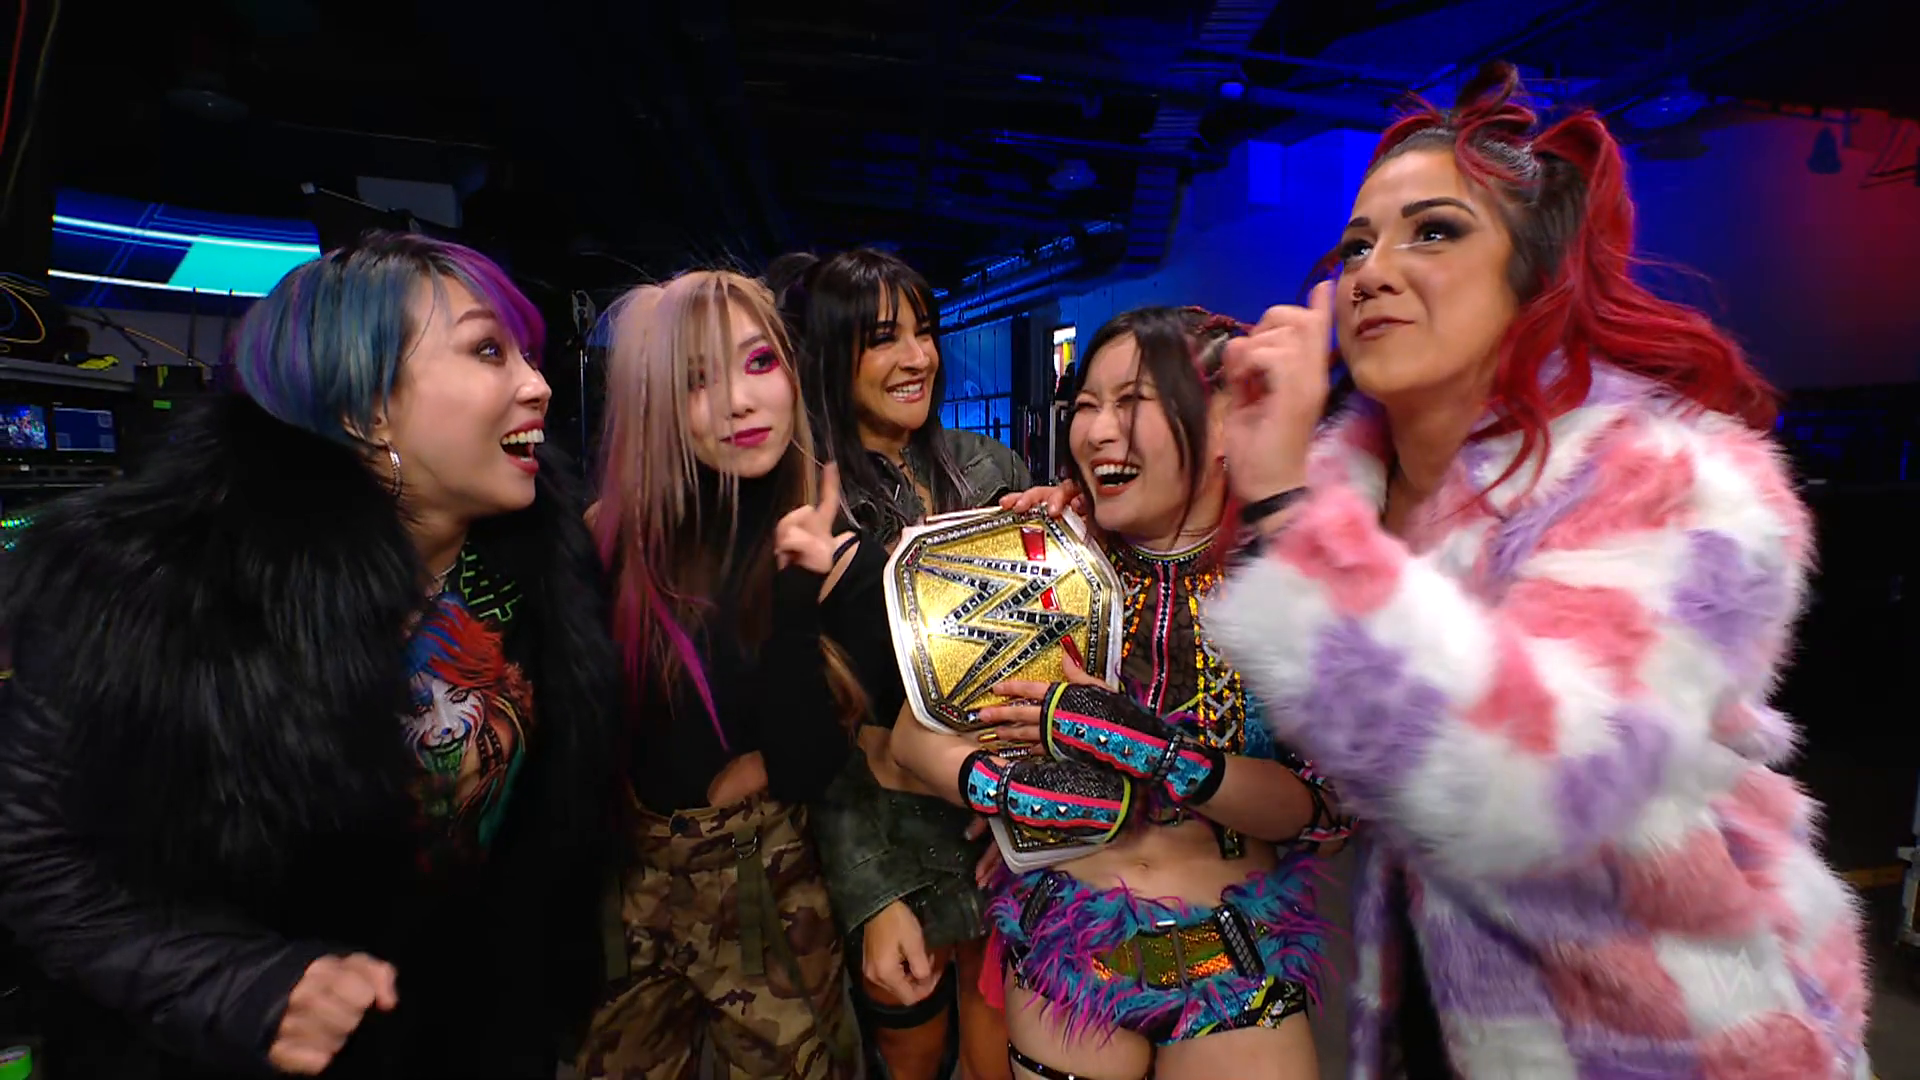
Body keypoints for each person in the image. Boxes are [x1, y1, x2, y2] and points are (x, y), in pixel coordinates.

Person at [1201, 63, 1871, 1078]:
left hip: (1678, 1043)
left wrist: (1293, 513)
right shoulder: (1371, 499)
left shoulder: (1672, 474)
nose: (1373, 271)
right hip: (1444, 1020)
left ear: (1536, 273)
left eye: (1434, 231)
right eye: (1358, 244)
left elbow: (1538, 788)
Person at [0, 231, 621, 1078]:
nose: (537, 384)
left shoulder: (541, 568)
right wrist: (241, 987)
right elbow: (37, 856)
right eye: (487, 351)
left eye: (530, 354)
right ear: (365, 409)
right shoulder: (150, 591)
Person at [891, 305, 1349, 1080]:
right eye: (1086, 405)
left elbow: (1322, 809)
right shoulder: (1043, 558)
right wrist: (1009, 793)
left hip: (1233, 959)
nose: (1098, 431)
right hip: (1067, 952)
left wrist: (1148, 749)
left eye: (1132, 402)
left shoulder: (1288, 580)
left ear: (1226, 421)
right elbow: (913, 734)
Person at [579, 269, 899, 1080]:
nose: (739, 402)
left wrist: (796, 597)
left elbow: (802, 766)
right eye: (696, 381)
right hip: (625, 888)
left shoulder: (847, 561)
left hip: (768, 891)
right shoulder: (611, 542)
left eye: (760, 363)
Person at [778, 247, 1030, 1080]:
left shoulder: (993, 470)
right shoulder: (808, 505)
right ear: (830, 352)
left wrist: (1026, 825)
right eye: (883, 337)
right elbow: (817, 724)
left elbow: (1045, 657)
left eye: (925, 331)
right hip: (889, 841)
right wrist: (873, 893)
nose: (917, 356)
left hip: (1002, 835)